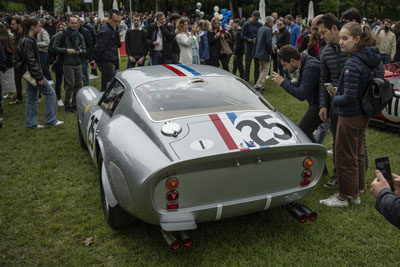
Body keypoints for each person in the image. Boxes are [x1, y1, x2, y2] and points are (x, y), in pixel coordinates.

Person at [320, 22, 383, 207]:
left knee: (344, 155)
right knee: (357, 152)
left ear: (357, 40)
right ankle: (358, 189)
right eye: (340, 37)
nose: (340, 42)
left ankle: (345, 196)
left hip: (351, 114)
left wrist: (334, 97)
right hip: (365, 113)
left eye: (345, 38)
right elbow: (363, 88)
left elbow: (348, 97)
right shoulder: (373, 59)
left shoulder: (353, 63)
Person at [316, 13, 350, 189]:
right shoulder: (326, 51)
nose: (322, 37)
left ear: (334, 29)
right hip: (334, 104)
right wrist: (323, 105)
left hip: (352, 104)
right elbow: (324, 79)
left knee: (355, 142)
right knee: (337, 141)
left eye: (323, 32)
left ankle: (357, 174)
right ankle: (338, 175)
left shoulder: (351, 47)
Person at [17, 18, 63, 128]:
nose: (40, 27)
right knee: (50, 94)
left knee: (32, 97)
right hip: (32, 73)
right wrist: (38, 77)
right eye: (38, 25)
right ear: (32, 27)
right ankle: (50, 120)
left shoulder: (27, 39)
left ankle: (31, 123)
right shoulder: (28, 40)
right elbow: (31, 61)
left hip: (28, 73)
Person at [272, 44, 322, 143]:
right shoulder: (306, 63)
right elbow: (299, 84)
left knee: (302, 132)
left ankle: (317, 152)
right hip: (318, 103)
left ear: (292, 61)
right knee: (304, 131)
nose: (285, 69)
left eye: (284, 65)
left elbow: (301, 94)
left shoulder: (310, 67)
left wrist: (283, 83)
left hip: (320, 105)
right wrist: (286, 83)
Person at [53, 15, 87, 112]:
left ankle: (75, 103)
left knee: (78, 84)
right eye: (72, 23)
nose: (74, 25)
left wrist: (80, 51)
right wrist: (67, 50)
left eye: (76, 23)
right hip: (67, 62)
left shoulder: (80, 35)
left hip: (78, 62)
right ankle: (67, 103)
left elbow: (85, 49)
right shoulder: (61, 34)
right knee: (70, 84)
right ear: (67, 23)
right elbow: (54, 48)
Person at [92, 9, 121, 92]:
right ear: (109, 19)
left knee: (111, 86)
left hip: (111, 60)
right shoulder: (106, 31)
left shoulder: (112, 30)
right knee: (107, 87)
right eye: (115, 21)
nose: (117, 23)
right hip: (107, 61)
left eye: (118, 21)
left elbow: (118, 44)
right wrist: (96, 61)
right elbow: (99, 48)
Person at [48, 22, 66, 107]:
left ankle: (67, 96)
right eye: (60, 28)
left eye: (63, 27)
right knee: (58, 81)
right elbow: (51, 51)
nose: (61, 29)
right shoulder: (54, 38)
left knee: (67, 81)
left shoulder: (68, 37)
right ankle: (59, 98)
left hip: (66, 62)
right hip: (58, 62)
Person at [254, 16, 274, 91]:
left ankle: (261, 85)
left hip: (259, 51)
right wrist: (270, 51)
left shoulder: (261, 28)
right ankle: (258, 85)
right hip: (265, 51)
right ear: (270, 22)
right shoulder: (268, 30)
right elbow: (268, 42)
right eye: (273, 22)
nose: (273, 24)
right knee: (266, 69)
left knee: (262, 69)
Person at [241, 11, 262, 83]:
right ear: (252, 17)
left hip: (257, 46)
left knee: (257, 64)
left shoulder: (260, 25)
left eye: (258, 19)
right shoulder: (246, 24)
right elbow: (242, 35)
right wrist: (249, 39)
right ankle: (246, 81)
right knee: (248, 64)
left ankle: (257, 81)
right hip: (249, 45)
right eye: (256, 18)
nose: (256, 20)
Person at [9, 16, 23, 105]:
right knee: (17, 79)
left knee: (31, 79)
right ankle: (19, 97)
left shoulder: (22, 35)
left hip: (22, 61)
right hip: (16, 60)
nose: (11, 26)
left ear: (19, 25)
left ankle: (39, 96)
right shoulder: (16, 34)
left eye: (13, 24)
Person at [0, 24, 16, 101]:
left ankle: (2, 92)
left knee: (3, 78)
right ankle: (10, 93)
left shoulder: (1, 39)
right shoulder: (10, 37)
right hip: (9, 59)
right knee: (10, 77)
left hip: (3, 60)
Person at [78, 17, 93, 87]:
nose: (75, 24)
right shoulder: (69, 32)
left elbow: (90, 44)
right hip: (73, 58)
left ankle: (86, 89)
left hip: (83, 57)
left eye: (76, 22)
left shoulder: (85, 31)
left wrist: (86, 54)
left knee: (84, 76)